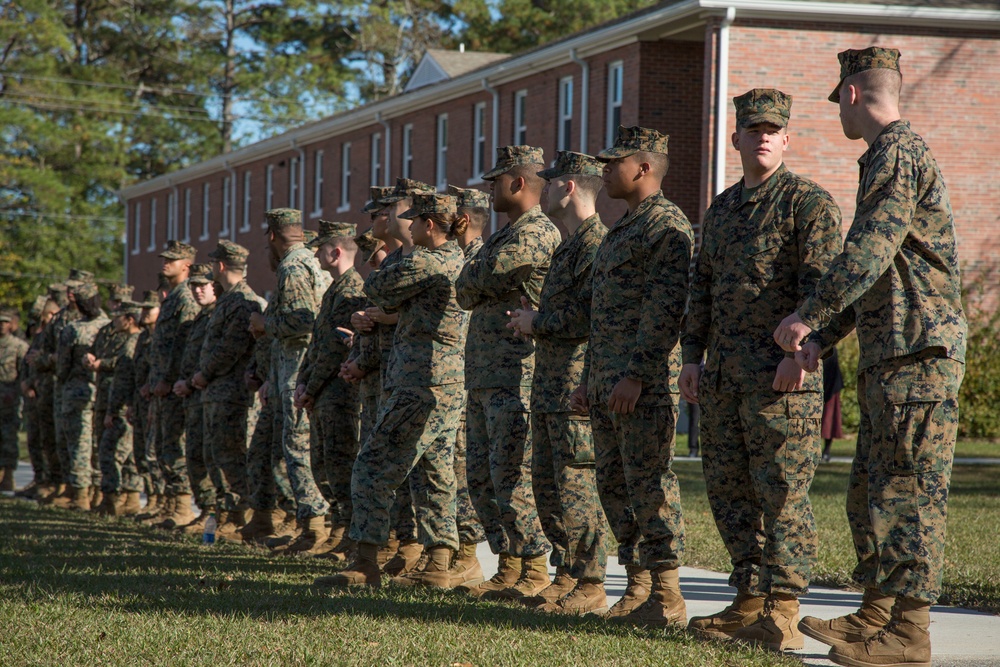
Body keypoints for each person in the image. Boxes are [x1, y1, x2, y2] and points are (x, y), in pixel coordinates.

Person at [773, 47, 967, 667]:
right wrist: (822, 341)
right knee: (872, 492)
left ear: (852, 94)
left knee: (907, 492)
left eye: (838, 103)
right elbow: (881, 271)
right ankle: (877, 615)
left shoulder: (896, 154)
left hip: (920, 353)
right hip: (895, 352)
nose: (839, 115)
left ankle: (909, 635)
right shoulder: (886, 156)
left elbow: (870, 251)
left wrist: (810, 314)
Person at [679, 90, 843, 649]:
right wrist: (692, 358)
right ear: (737, 140)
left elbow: (824, 289)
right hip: (724, 378)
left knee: (782, 494)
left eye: (774, 129)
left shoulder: (807, 203)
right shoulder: (721, 209)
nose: (764, 137)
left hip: (781, 379)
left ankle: (785, 608)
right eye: (754, 129)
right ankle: (748, 597)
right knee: (730, 492)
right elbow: (700, 291)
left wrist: (803, 354)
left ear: (788, 139)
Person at [571, 125, 692, 625]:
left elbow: (664, 311)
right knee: (615, 487)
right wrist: (589, 378)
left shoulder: (666, 226)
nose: (603, 172)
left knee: (649, 486)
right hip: (607, 383)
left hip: (640, 387)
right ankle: (638, 587)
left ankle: (666, 595)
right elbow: (607, 315)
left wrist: (637, 376)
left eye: (612, 163)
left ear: (643, 168)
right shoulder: (624, 225)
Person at [318, 193, 468, 589]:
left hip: (418, 382)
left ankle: (365, 561)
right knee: (435, 473)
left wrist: (387, 269)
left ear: (429, 226)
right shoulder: (459, 258)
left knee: (371, 466)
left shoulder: (423, 259)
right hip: (449, 381)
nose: (410, 226)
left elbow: (378, 288)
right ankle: (438, 566)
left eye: (415, 221)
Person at [506, 151, 610, 615]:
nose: (540, 189)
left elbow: (591, 317)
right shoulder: (568, 245)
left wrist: (536, 320)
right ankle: (568, 573)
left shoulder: (594, 245)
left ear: (568, 187)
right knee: (548, 487)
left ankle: (590, 582)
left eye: (548, 183)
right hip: (549, 386)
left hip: (574, 387)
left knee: (575, 488)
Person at [455, 145, 560, 599]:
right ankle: (509, 564)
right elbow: (463, 289)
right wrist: (473, 277)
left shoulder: (536, 233)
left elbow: (484, 277)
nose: (488, 189)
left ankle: (534, 569)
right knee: (482, 477)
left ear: (518, 182)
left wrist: (474, 277)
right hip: (485, 376)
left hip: (516, 375)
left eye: (495, 181)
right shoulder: (504, 234)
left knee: (511, 474)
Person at [250, 208, 330, 555]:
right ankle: (307, 526)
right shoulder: (306, 261)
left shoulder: (293, 265)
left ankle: (316, 529)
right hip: (291, 369)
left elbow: (302, 322)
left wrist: (263, 325)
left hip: (298, 368)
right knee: (293, 452)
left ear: (272, 235)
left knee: (297, 451)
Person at [295, 221, 366, 558]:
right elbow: (317, 345)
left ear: (335, 252)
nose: (315, 252)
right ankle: (340, 532)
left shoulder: (352, 290)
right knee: (323, 464)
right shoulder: (335, 289)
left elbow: (336, 350)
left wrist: (310, 386)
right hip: (323, 391)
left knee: (340, 464)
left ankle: (349, 535)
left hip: (339, 392)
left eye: (320, 247)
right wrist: (303, 383)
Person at [189, 241, 262, 541]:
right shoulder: (228, 299)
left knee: (230, 455)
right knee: (214, 455)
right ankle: (225, 514)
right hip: (216, 390)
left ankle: (239, 515)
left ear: (220, 266)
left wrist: (204, 374)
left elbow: (230, 348)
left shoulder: (243, 301)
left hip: (230, 392)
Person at [148, 241, 200, 526]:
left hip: (174, 386)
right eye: (164, 258)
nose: (165, 263)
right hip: (162, 385)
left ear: (187, 265)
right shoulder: (173, 296)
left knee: (173, 446)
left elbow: (184, 346)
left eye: (172, 259)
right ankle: (170, 505)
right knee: (163, 444)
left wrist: (169, 379)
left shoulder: (187, 297)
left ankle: (182, 508)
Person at [166, 263, 217, 531]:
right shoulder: (200, 316)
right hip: (192, 394)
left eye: (203, 285)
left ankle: (214, 514)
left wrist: (191, 382)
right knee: (195, 453)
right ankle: (206, 511)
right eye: (194, 285)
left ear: (214, 286)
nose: (197, 290)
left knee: (208, 455)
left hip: (207, 392)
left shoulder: (216, 315)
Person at [54, 281, 110, 511]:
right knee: (98, 443)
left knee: (79, 443)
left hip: (76, 392)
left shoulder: (73, 329)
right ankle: (98, 493)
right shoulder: (108, 325)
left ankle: (80, 495)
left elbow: (62, 366)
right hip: (103, 392)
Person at [98, 300, 145, 515]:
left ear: (129, 320)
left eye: (118, 316)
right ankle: (128, 500)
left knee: (110, 452)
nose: (113, 320)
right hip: (131, 406)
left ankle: (112, 500)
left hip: (124, 409)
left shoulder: (130, 344)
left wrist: (113, 410)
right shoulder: (137, 341)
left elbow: (124, 381)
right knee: (129, 457)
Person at [0, 309, 30, 492]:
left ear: (11, 324)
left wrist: (18, 392)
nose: (2, 325)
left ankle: (9, 475)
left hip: (9, 400)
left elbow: (24, 374)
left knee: (9, 437)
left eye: (5, 322)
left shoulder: (19, 346)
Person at [822, 348, 844, 463]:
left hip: (831, 389)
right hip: (821, 387)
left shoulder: (830, 349)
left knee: (829, 422)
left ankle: (826, 451)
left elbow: (831, 370)